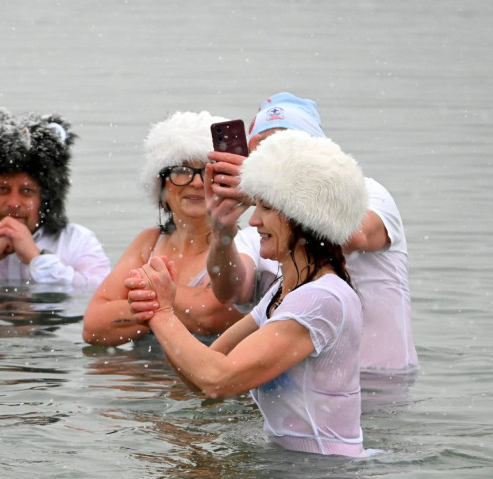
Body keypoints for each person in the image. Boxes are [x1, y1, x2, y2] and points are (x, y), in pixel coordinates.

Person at [128, 130, 370, 457]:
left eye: (266, 208)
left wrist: (162, 314)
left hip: (322, 477)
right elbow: (201, 381)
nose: (254, 221)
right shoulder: (282, 293)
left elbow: (218, 379)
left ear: (304, 217)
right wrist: (159, 312)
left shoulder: (322, 298)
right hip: (295, 469)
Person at [206, 92, 417, 374]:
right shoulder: (262, 227)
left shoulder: (367, 194)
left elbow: (353, 237)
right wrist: (222, 231)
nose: (272, 162)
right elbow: (231, 291)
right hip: (305, 397)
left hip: (383, 384)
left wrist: (277, 189)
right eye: (263, 153)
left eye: (283, 148)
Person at [83, 111, 241, 346]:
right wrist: (165, 305)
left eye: (207, 171)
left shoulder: (242, 245)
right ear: (161, 188)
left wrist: (143, 301)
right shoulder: (148, 243)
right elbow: (93, 327)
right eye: (181, 170)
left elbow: (211, 316)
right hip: (143, 379)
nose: (196, 182)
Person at [0, 109, 110, 288]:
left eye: (27, 191)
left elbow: (101, 293)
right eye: (2, 189)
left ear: (46, 198)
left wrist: (36, 258)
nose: (13, 203)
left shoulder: (78, 242)